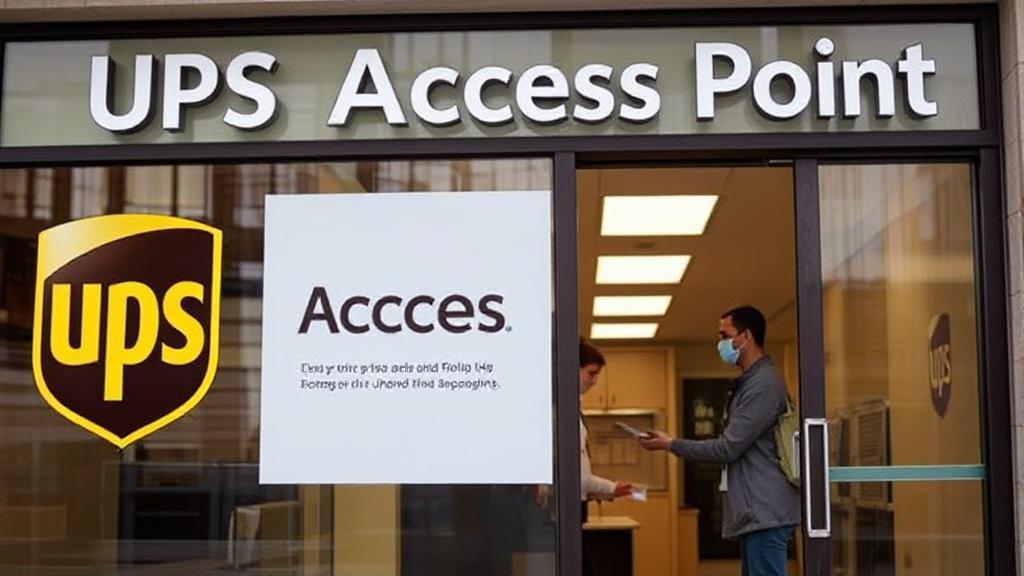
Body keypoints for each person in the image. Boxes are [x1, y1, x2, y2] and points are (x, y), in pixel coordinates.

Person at [640, 306, 799, 576]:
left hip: (764, 512)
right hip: (757, 512)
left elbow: (728, 447)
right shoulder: (750, 383)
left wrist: (671, 444)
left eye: (725, 335)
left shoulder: (763, 385)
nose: (721, 343)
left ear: (745, 336)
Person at [579, 339, 632, 576]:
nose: (594, 381)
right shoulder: (564, 411)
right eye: (591, 373)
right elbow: (578, 477)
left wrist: (611, 490)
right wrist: (611, 488)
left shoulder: (573, 408)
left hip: (576, 510)